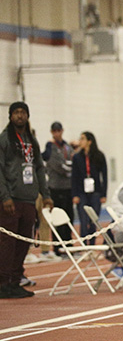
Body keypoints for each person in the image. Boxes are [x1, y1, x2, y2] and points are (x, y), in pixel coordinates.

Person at [0, 102, 53, 298]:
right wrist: (5, 197)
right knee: (7, 243)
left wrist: (45, 195)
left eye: (23, 112)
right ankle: (3, 282)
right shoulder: (4, 139)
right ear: (10, 116)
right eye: (16, 112)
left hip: (29, 199)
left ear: (28, 116)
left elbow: (39, 168)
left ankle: (15, 280)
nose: (20, 116)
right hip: (10, 200)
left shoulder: (32, 141)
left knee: (23, 243)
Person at [42, 121, 73, 256]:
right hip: (55, 187)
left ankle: (68, 244)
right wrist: (68, 167)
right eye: (54, 131)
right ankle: (57, 246)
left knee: (68, 216)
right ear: (51, 132)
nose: (57, 133)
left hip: (68, 187)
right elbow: (56, 164)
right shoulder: (50, 146)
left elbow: (72, 161)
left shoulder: (67, 146)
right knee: (57, 217)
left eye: (59, 130)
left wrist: (68, 166)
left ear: (62, 130)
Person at [71, 130, 108, 240]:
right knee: (83, 219)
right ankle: (83, 245)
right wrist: (75, 195)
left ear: (89, 141)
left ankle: (91, 245)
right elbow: (74, 177)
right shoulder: (77, 157)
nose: (80, 141)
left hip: (96, 192)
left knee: (93, 220)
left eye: (82, 139)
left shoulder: (99, 156)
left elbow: (104, 176)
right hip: (81, 192)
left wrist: (103, 194)